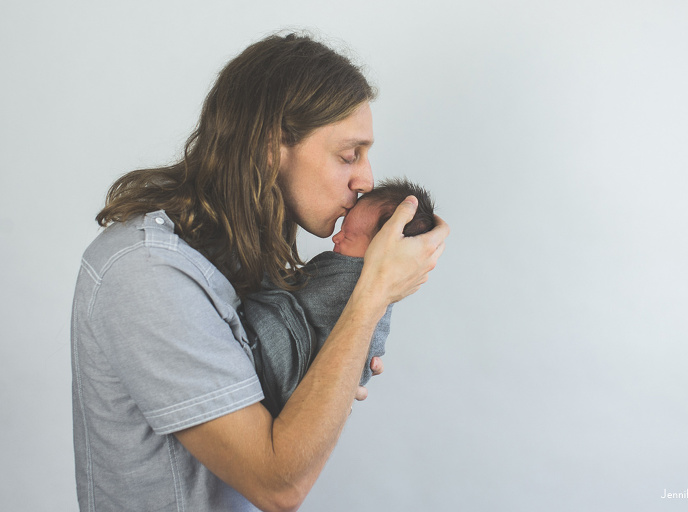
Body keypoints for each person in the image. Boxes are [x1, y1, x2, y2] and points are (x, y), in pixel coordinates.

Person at [70, 32, 448, 512]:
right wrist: (371, 298)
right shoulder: (147, 273)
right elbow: (278, 485)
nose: (366, 179)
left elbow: (291, 412)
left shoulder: (252, 259)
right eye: (349, 154)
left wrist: (332, 360)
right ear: (271, 146)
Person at [243, 178, 435, 417]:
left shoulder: (351, 277)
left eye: (348, 235)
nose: (336, 237)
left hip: (281, 373)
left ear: (382, 249)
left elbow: (291, 293)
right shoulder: (357, 276)